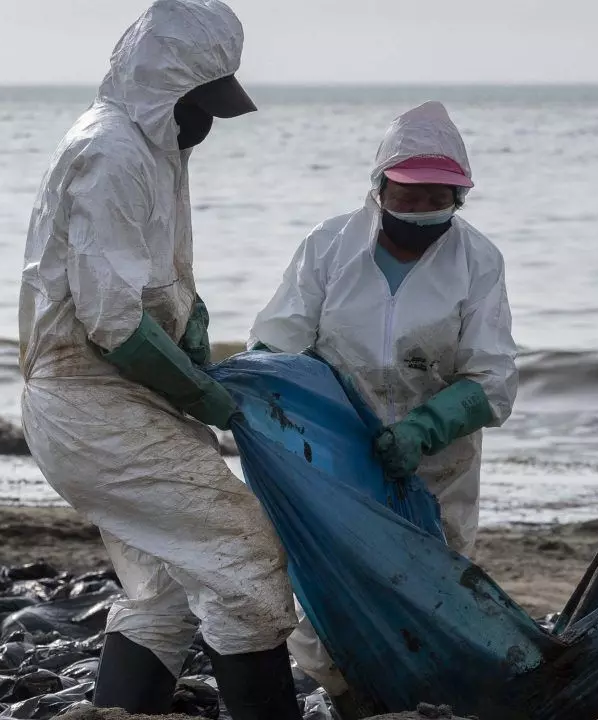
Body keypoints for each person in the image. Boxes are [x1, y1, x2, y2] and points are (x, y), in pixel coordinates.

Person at [19, 2, 301, 717]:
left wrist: (192, 325)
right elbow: (111, 320)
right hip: (91, 402)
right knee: (247, 566)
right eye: (198, 104)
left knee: (165, 591)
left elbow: (150, 282)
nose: (204, 122)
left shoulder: (150, 149)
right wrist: (207, 397)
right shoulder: (112, 150)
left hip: (118, 399)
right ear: (161, 86)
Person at [249, 100, 518, 716]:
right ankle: (349, 697)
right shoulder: (328, 246)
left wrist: (425, 428)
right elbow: (280, 342)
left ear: (459, 197)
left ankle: (423, 698)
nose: (422, 208)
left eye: (438, 197)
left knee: (434, 587)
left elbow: (494, 378)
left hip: (437, 467)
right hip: (333, 457)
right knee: (324, 589)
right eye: (409, 192)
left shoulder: (478, 261)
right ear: (379, 187)